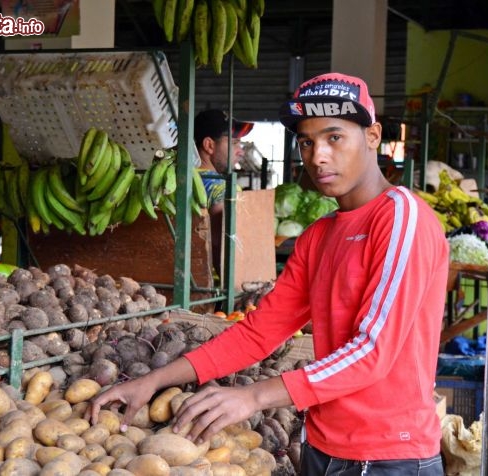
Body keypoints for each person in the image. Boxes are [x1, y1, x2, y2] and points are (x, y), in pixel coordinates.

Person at [87, 73, 449, 475]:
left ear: (373, 136)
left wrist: (254, 396)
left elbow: (373, 351)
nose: (317, 157)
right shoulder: (319, 236)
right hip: (323, 450)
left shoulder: (400, 217)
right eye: (307, 142)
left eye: (334, 138)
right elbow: (258, 333)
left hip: (390, 458)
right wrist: (154, 380)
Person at [192, 109, 254, 281]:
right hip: (212, 286)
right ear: (209, 145)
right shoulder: (221, 188)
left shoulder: (180, 178)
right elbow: (224, 246)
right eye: (234, 143)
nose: (240, 151)